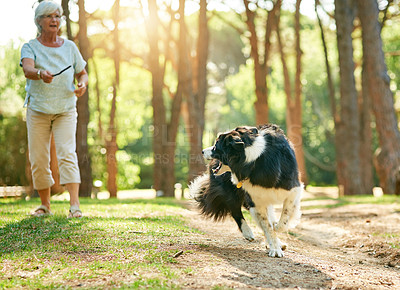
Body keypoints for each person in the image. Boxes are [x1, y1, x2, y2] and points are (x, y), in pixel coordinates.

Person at [20, 0, 88, 218]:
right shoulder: (30, 46)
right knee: (39, 158)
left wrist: (83, 84)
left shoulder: (70, 47)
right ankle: (45, 205)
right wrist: (40, 74)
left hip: (65, 109)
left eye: (57, 16)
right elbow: (28, 69)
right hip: (38, 109)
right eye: (49, 16)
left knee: (67, 153)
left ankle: (75, 206)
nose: (55, 20)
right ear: (39, 21)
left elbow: (82, 72)